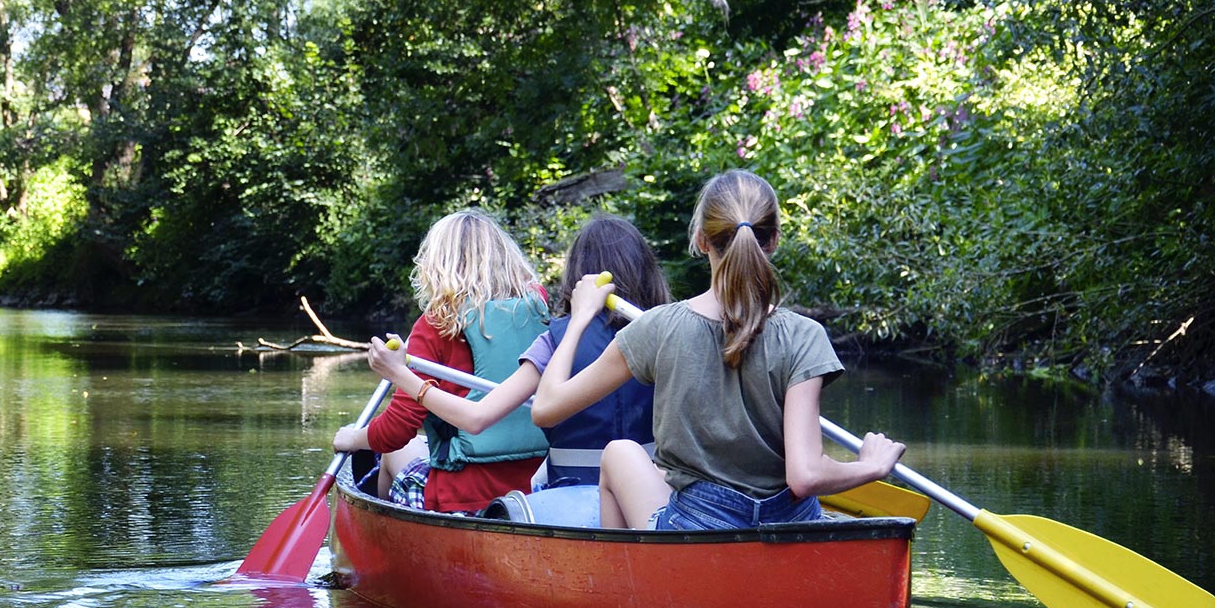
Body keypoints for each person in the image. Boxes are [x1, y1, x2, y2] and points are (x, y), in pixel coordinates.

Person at [532, 169, 905, 531]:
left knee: (619, 453)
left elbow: (546, 410)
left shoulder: (658, 327)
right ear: (774, 239)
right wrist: (869, 466)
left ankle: (621, 583)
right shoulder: (804, 336)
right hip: (789, 525)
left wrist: (579, 319)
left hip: (696, 525)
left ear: (700, 240)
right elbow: (805, 476)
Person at [360, 212, 670, 525]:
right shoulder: (670, 337)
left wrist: (400, 374)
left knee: (398, 455)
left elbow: (478, 418)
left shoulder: (553, 341)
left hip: (569, 497)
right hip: (647, 495)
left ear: (577, 277)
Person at [331, 210, 548, 514]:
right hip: (535, 493)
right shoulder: (540, 313)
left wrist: (354, 437)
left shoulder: (436, 325)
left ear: (437, 265)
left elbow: (396, 430)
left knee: (392, 453)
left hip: (459, 498)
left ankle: (380, 535)